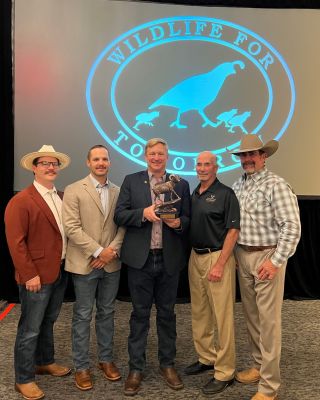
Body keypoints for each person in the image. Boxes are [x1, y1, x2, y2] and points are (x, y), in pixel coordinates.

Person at [114, 138, 191, 396]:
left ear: (167, 157)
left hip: (169, 259)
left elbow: (187, 218)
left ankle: (167, 365)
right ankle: (136, 368)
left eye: (161, 154)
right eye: (152, 153)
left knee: (168, 314)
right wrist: (142, 214)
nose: (156, 157)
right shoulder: (131, 180)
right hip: (140, 260)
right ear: (145, 156)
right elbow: (120, 215)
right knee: (139, 315)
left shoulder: (181, 183)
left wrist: (178, 223)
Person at [231, 134, 301, 400]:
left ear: (264, 156)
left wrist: (275, 261)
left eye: (252, 154)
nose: (247, 159)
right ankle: (259, 366)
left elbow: (292, 227)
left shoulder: (277, 185)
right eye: (243, 155)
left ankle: (269, 387)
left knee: (269, 323)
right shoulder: (239, 184)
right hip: (244, 255)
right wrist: (236, 254)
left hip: (267, 257)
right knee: (252, 317)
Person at [4, 145, 71, 400]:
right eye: (44, 163)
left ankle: (44, 361)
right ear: (34, 168)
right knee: (29, 328)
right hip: (36, 276)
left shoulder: (62, 196)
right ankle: (23, 378)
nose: (50, 167)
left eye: (54, 163)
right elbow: (16, 243)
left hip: (59, 271)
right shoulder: (21, 201)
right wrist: (29, 274)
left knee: (48, 321)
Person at [62, 145, 125, 391]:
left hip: (112, 263)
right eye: (96, 159)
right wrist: (99, 251)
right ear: (88, 162)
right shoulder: (74, 189)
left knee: (107, 313)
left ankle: (105, 360)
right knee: (82, 315)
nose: (101, 163)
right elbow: (71, 227)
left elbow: (123, 226)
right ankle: (81, 366)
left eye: (105, 159)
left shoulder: (119, 191)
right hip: (85, 263)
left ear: (109, 163)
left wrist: (110, 252)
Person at [184, 151, 240, 396]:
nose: (202, 168)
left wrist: (220, 264)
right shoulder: (193, 194)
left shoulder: (226, 194)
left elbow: (233, 232)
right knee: (200, 312)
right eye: (199, 164)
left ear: (216, 168)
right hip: (195, 257)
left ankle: (225, 372)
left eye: (207, 164)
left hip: (218, 258)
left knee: (223, 317)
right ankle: (206, 357)